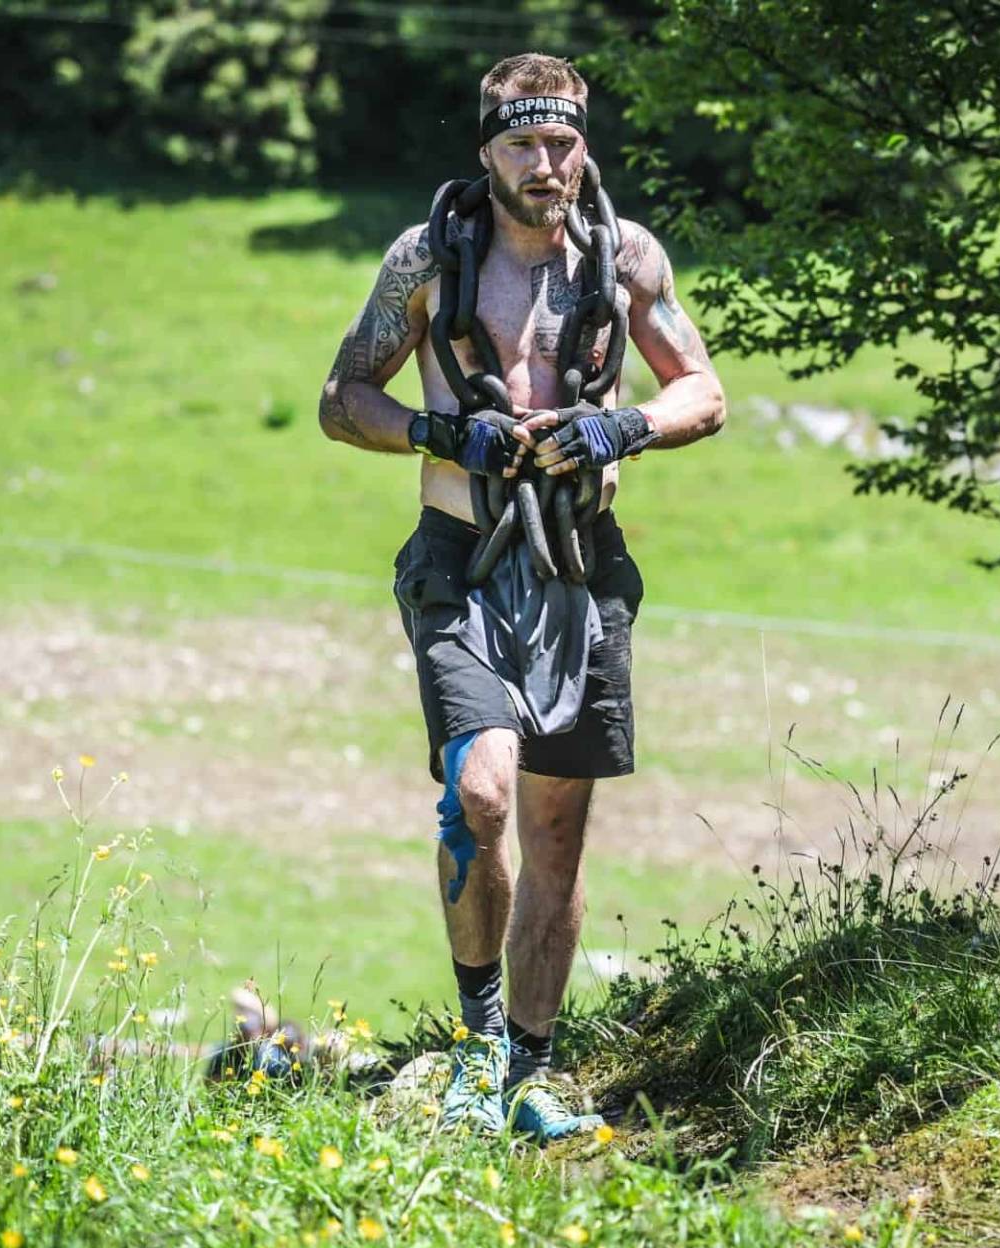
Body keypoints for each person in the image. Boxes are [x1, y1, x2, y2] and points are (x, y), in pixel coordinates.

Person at [317, 52, 725, 1140]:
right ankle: (480, 1039)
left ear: (582, 143)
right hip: (459, 559)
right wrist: (441, 430)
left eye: (561, 142)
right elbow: (342, 398)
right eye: (522, 144)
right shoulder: (428, 258)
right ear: (486, 150)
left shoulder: (627, 257)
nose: (545, 164)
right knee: (483, 792)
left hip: (582, 566)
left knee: (555, 830)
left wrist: (622, 426)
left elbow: (703, 391)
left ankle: (533, 1073)